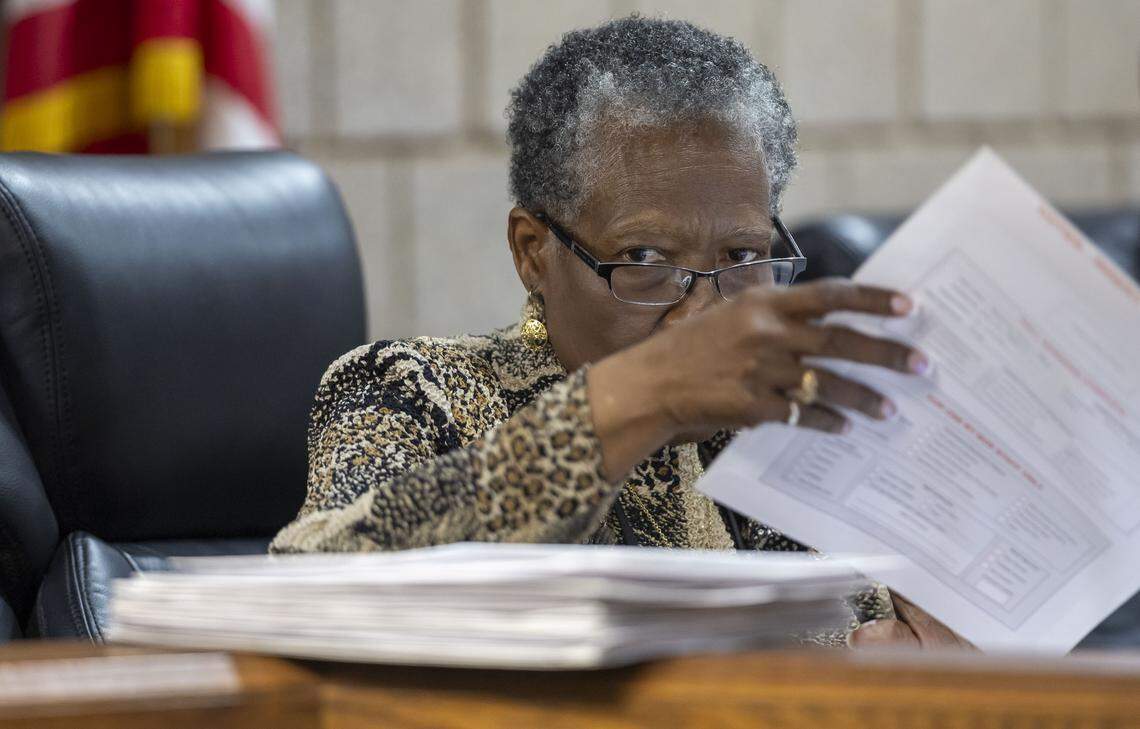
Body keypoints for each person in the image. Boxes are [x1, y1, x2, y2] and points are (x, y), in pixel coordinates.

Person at [272, 15, 971, 650]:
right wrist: (644, 395)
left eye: (742, 257)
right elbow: (317, 587)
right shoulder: (416, 391)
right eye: (644, 259)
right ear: (531, 250)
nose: (706, 314)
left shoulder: (792, 434)